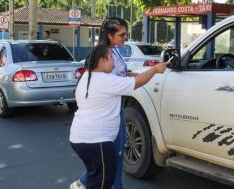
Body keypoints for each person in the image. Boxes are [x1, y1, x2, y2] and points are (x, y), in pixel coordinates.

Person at [70, 44, 168, 189]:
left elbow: (129, 76)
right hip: (97, 141)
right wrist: (154, 69)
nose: (114, 62)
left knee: (95, 178)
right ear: (102, 61)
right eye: (111, 58)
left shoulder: (88, 76)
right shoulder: (105, 80)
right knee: (103, 183)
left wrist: (148, 70)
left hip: (80, 139)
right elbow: (138, 82)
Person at [71, 17, 137, 189]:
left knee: (118, 151)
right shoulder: (103, 54)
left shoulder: (115, 51)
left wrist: (139, 75)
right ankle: (89, 183)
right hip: (107, 111)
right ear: (110, 35)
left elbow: (122, 75)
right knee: (115, 154)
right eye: (122, 35)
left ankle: (84, 182)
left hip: (116, 107)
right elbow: (106, 80)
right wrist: (149, 74)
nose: (125, 38)